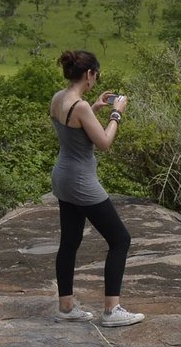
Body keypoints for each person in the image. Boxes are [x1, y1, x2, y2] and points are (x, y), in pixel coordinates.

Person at [50, 49, 144, 328]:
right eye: (96, 75)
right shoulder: (78, 107)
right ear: (90, 74)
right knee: (120, 240)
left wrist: (95, 108)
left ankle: (66, 307)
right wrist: (117, 113)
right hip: (81, 181)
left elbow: (74, 128)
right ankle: (112, 310)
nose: (96, 79)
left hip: (63, 177)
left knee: (70, 240)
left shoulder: (60, 98)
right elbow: (103, 142)